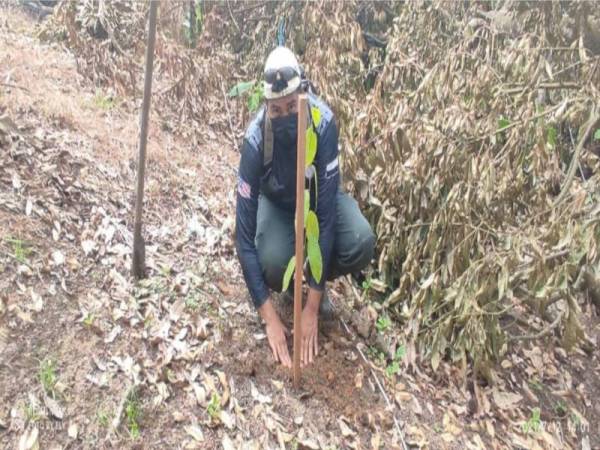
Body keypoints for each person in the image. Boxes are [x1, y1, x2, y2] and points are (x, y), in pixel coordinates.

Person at [235, 46, 375, 368]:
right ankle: (286, 284)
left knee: (360, 240)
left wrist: (312, 306)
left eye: (291, 107)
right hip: (277, 204)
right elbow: (242, 239)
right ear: (266, 106)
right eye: (277, 110)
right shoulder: (255, 142)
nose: (285, 116)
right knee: (270, 261)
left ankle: (314, 283)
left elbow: (325, 219)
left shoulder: (322, 124)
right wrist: (269, 318)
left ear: (304, 92)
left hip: (315, 200)